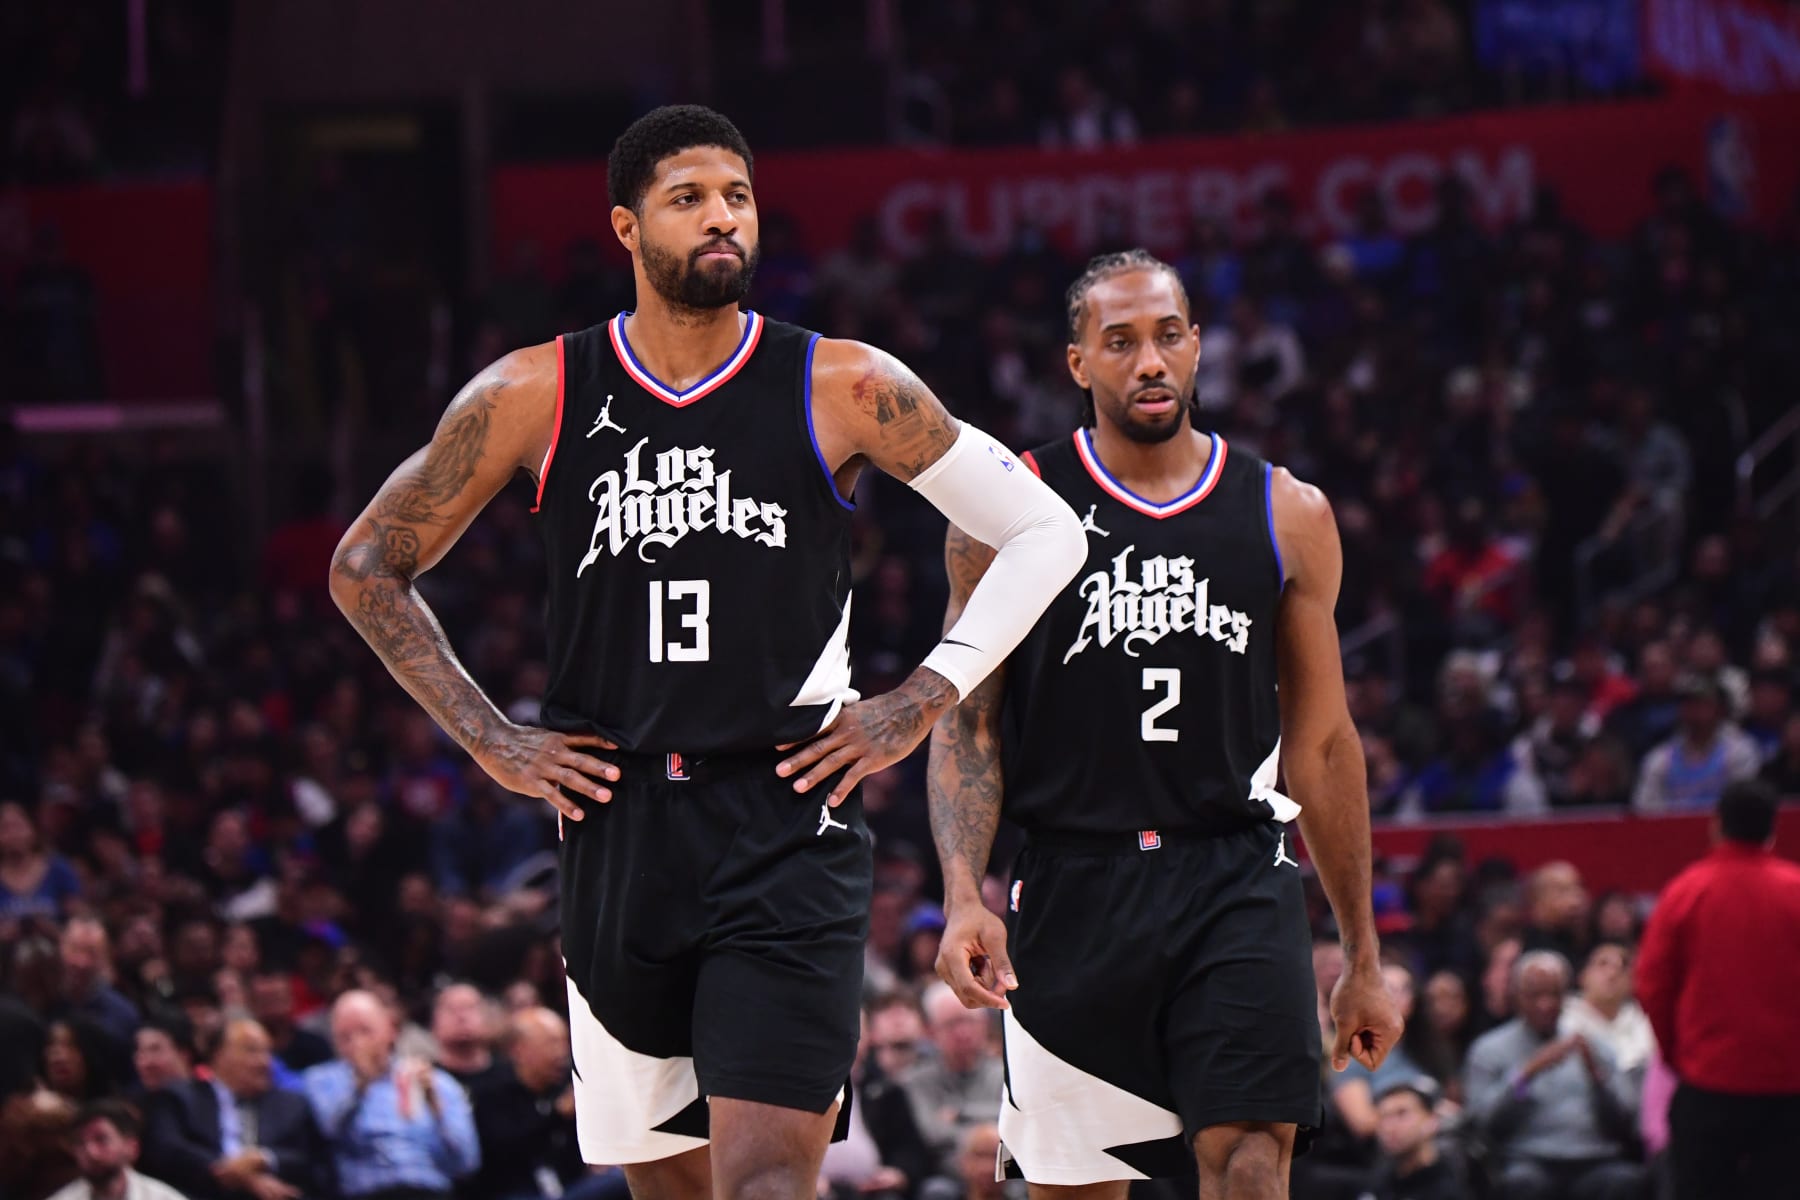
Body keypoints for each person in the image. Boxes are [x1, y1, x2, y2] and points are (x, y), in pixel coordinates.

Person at [327, 105, 1083, 1200]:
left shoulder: (842, 384)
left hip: (784, 816)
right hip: (616, 828)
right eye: (690, 199)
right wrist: (490, 741)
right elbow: (366, 568)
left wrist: (923, 695)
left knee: (770, 1183)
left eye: (737, 195)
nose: (722, 217)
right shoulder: (535, 391)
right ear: (627, 229)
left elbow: (1045, 529)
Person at [928, 249, 1401, 1197]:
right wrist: (964, 893)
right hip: (1074, 881)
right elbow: (965, 724)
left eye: (1170, 335)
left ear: (1197, 348)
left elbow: (1322, 744)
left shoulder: (1286, 511)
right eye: (1121, 341)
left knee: (1255, 1161)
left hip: (1232, 872)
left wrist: (1361, 954)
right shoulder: (1008, 507)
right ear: (1077, 363)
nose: (1150, 360)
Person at [1634, 779, 1800, 1199]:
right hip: (1788, 1089)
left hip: (1709, 1083)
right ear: (1771, 829)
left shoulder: (1685, 892)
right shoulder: (1795, 891)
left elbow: (1653, 984)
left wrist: (1678, 1054)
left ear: (1716, 825)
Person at [1462, 952, 1645, 1200]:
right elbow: (1482, 1122)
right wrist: (1525, 1074)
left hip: (1594, 1158)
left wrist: (1597, 1078)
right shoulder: (1489, 1050)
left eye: (1554, 994)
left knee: (1627, 1181)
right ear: (1516, 996)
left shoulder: (1595, 1047)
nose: (1545, 1004)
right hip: (1529, 1159)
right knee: (1523, 1184)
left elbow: (1627, 1121)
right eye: (1535, 995)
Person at [302, 989, 479, 1200]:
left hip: (431, 1192)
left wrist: (436, 1108)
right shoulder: (321, 1080)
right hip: (368, 1193)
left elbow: (467, 1164)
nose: (357, 1043)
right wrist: (360, 1086)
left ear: (391, 1030)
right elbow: (326, 1135)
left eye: (365, 1031)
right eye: (345, 1037)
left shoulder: (435, 1081)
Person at [140, 1019, 328, 1200]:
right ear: (218, 1055)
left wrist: (264, 1158)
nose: (264, 1062)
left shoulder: (292, 1105)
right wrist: (238, 1175)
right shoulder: (180, 1098)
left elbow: (312, 1160)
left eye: (268, 1052)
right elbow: (167, 1150)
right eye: (252, 1050)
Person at [470, 1007, 618, 1200]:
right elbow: (505, 1152)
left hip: (570, 1188)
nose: (562, 1052)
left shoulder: (569, 1085)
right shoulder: (492, 1092)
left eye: (565, 1042)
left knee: (619, 1179)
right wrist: (557, 1116)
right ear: (519, 1050)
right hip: (515, 1192)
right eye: (552, 1043)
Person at [903, 984, 1005, 1179]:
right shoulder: (918, 1080)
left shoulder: (1003, 1073)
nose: (963, 1033)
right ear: (931, 1032)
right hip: (948, 1175)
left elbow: (1010, 1125)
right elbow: (934, 1134)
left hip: (1002, 1171)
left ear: (984, 1025)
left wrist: (960, 1113)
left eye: (969, 1021)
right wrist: (988, 1130)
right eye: (952, 1024)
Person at [47, 1100, 189, 1200]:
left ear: (132, 1147)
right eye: (80, 1143)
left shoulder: (163, 1197)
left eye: (101, 1140)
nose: (91, 1152)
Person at [1358, 1078, 1462, 1200]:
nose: (1389, 1127)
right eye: (1383, 1117)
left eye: (1402, 1114)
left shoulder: (1449, 1188)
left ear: (1432, 1121)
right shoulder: (1376, 1184)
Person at [57, 919, 141, 1046]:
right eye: (75, 949)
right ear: (60, 949)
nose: (81, 962)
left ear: (104, 959)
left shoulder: (123, 1014)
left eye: (91, 953)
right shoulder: (42, 1001)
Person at [430, 983, 503, 1094]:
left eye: (469, 1008)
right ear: (434, 1024)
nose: (461, 1016)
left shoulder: (512, 1080)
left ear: (487, 1019)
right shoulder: (426, 1082)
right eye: (451, 1009)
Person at [133, 1016, 197, 1096]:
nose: (145, 1063)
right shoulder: (132, 1105)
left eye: (155, 1050)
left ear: (184, 1054)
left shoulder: (213, 1090)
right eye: (140, 1052)